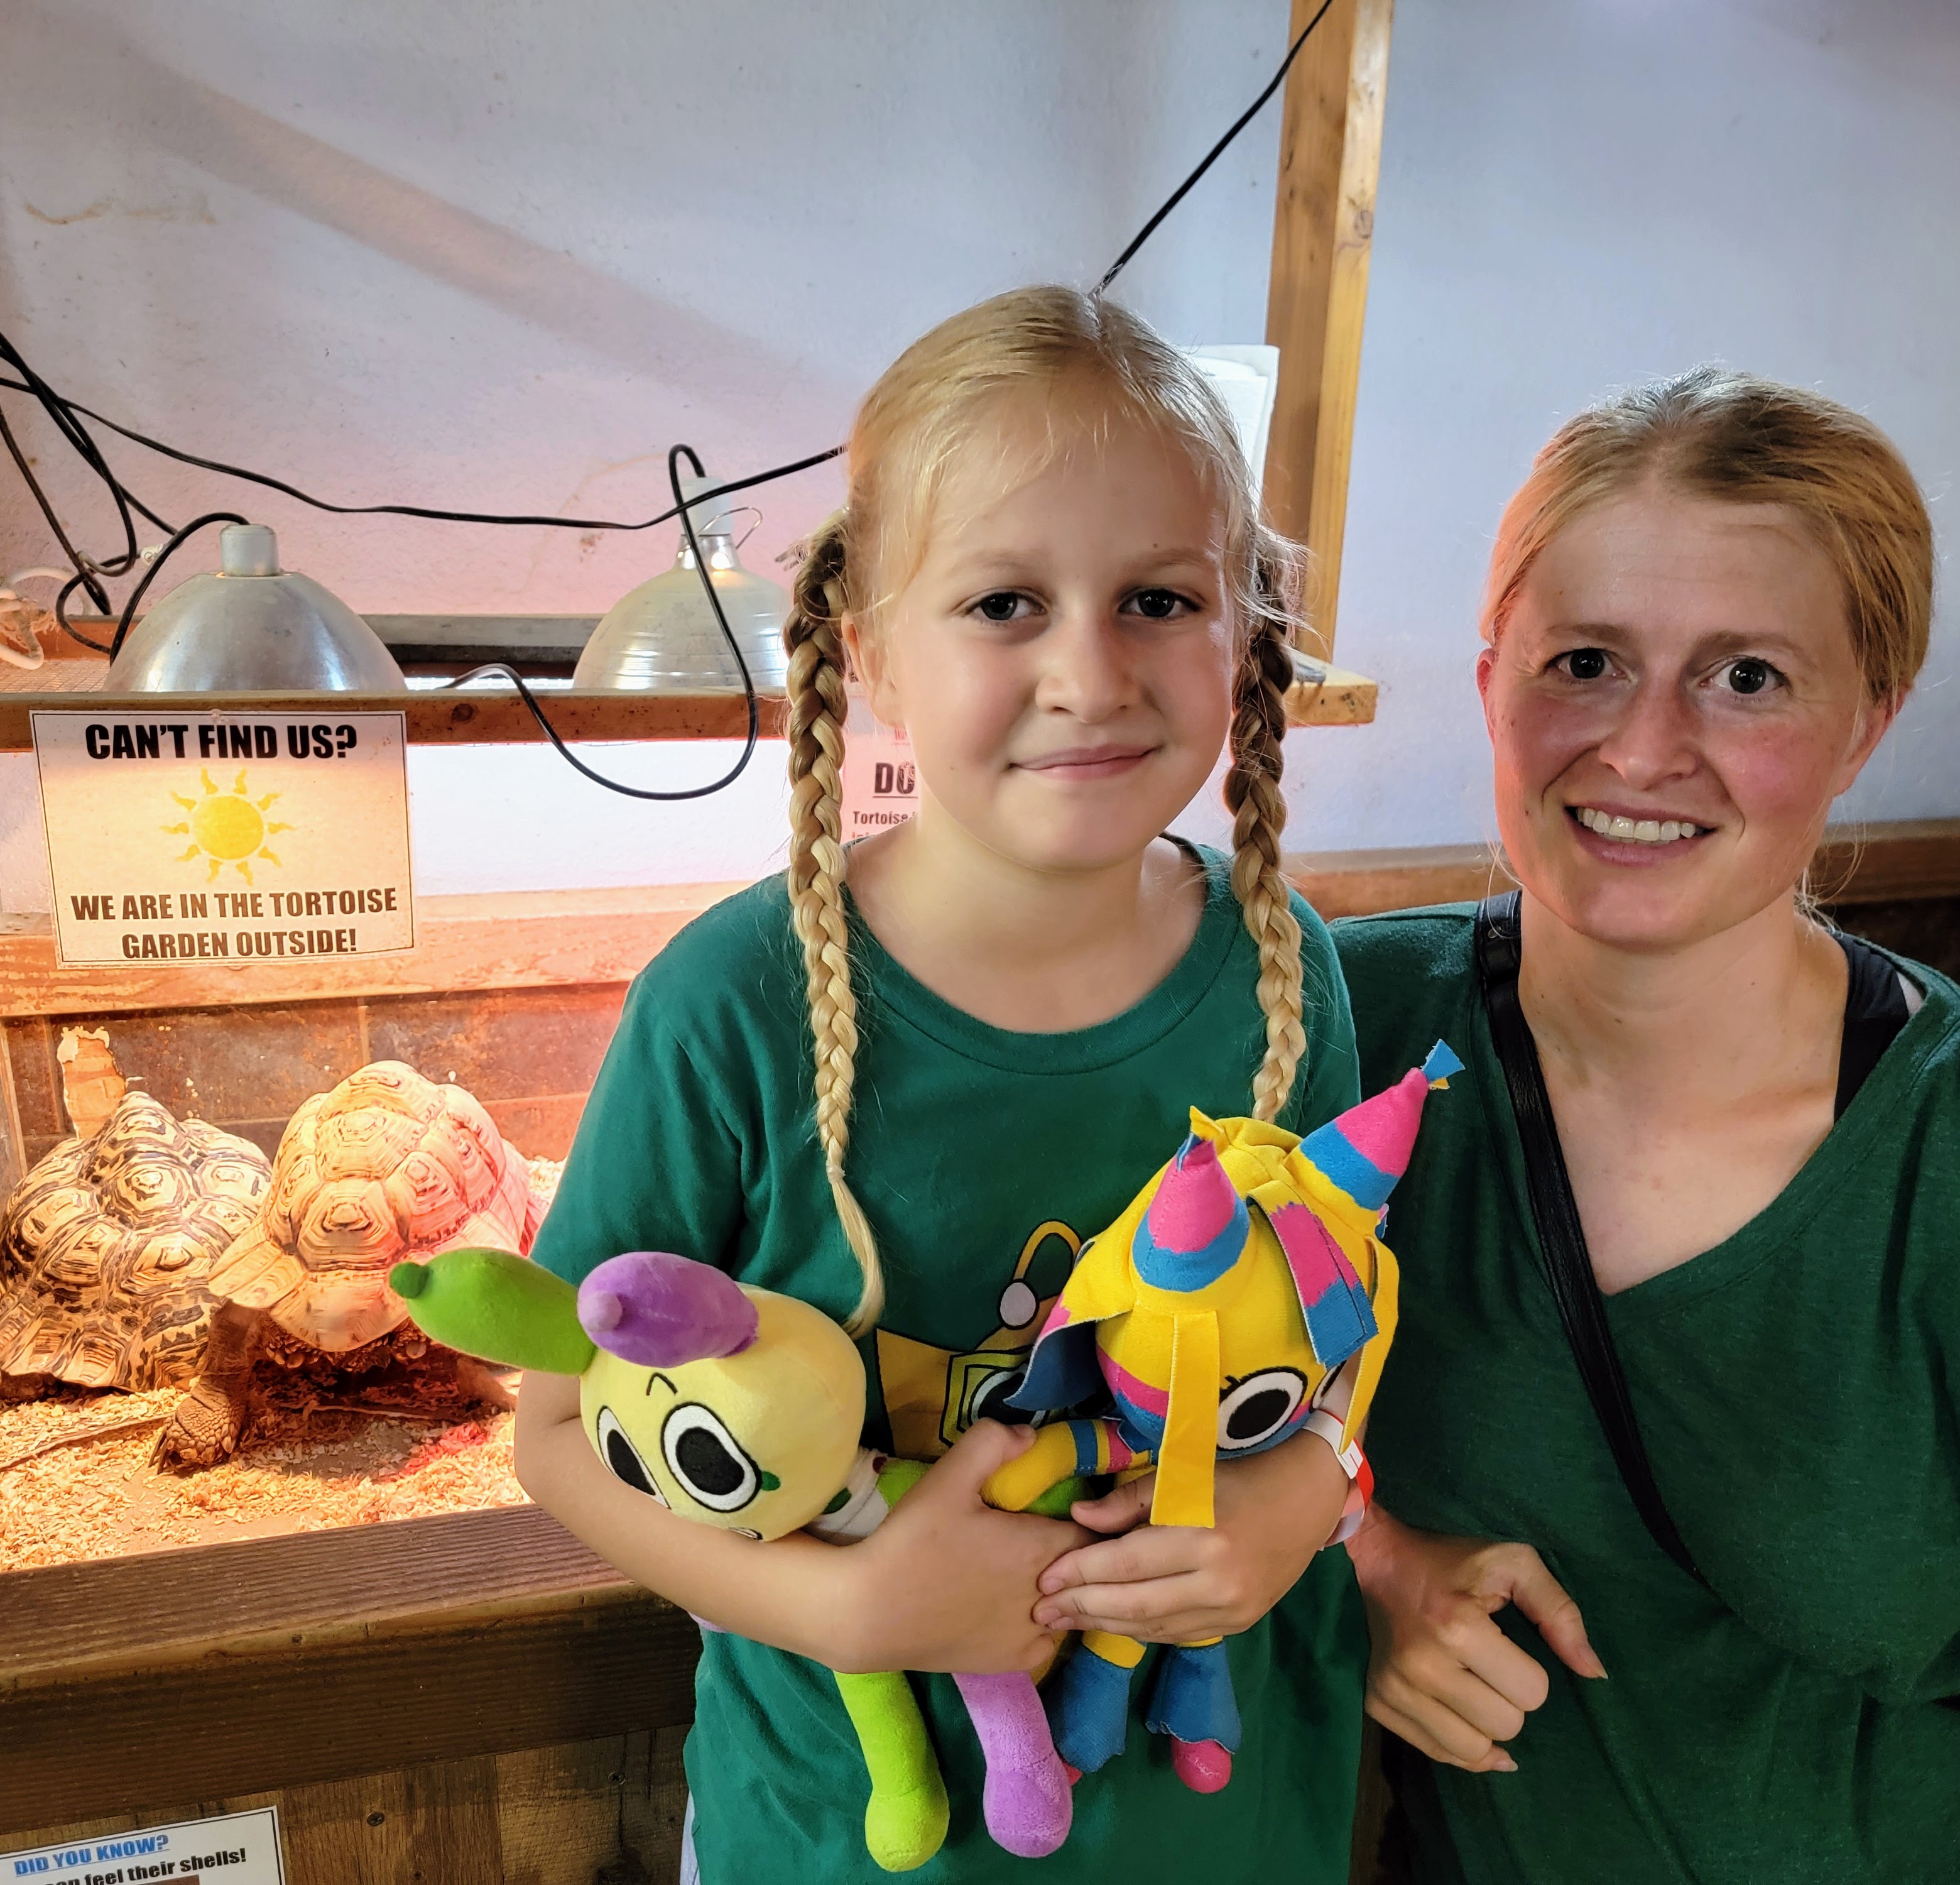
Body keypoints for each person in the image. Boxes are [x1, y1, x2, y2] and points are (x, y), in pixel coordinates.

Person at [516, 285, 1371, 1884]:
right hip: (835, 1837)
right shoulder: (729, 1003)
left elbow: (1343, 1341)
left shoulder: (1286, 971)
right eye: (1001, 605)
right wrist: (839, 1604)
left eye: (1159, 601)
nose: (1090, 673)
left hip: (1225, 1833)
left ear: (1238, 631)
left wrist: (1303, 1501)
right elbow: (559, 1424)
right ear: (870, 657)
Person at [1331, 367, 1960, 1883]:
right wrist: (1364, 1574)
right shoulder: (1329, 1034)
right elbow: (1150, 1403)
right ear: (1489, 681)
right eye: (1586, 660)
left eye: (1746, 677)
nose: (1642, 746)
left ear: (1864, 723)